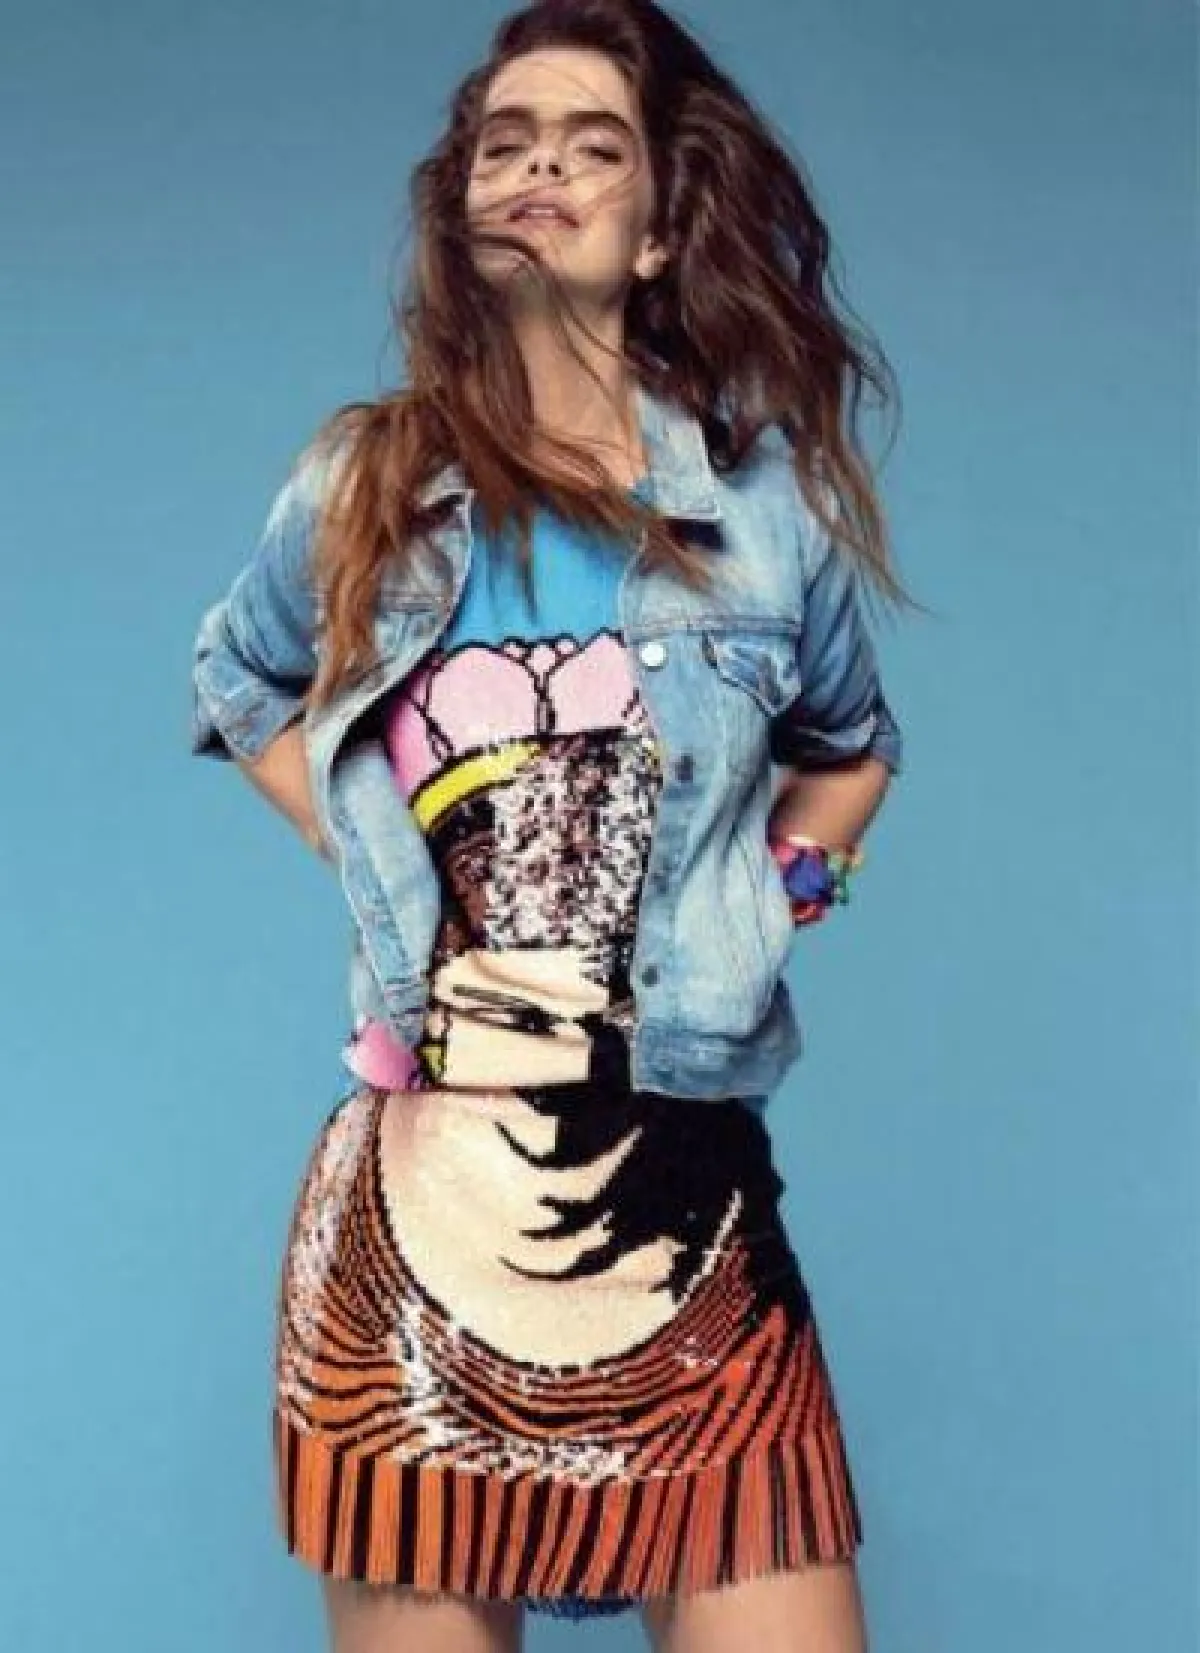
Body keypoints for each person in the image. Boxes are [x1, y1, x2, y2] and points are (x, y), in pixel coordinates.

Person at [188, 2, 915, 1647]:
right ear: (464, 211)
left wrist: (777, 893)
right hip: (418, 1216)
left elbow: (852, 746)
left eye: (591, 149)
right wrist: (376, 857)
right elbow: (239, 678)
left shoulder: (762, 514)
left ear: (656, 233)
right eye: (504, 145)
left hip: (692, 1198)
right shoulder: (364, 484)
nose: (538, 172)